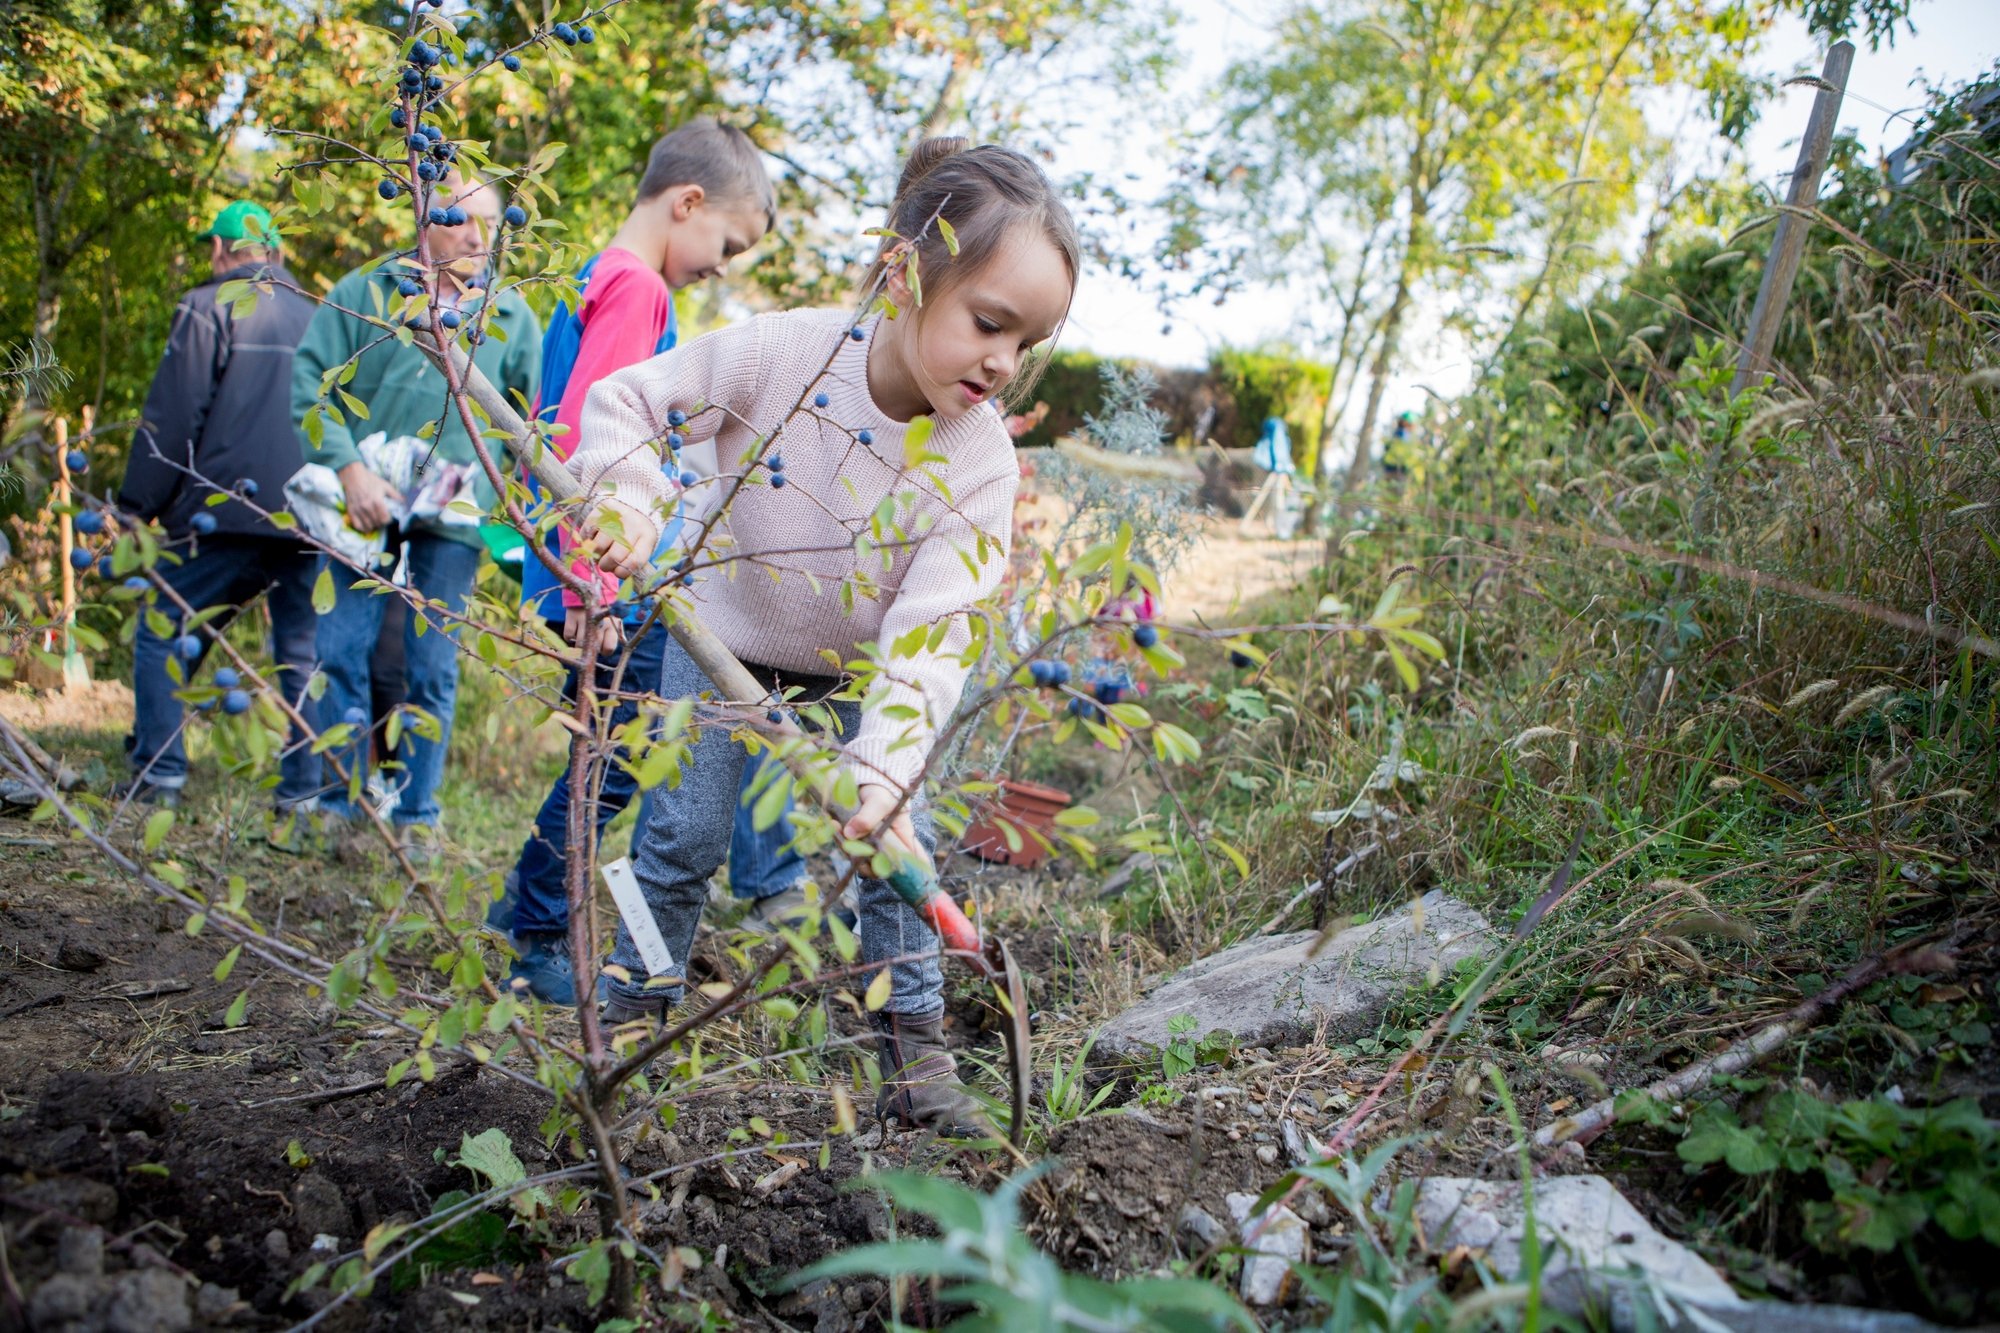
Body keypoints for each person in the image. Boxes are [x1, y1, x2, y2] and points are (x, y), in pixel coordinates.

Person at [568, 138, 1079, 1135]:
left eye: (1028, 343)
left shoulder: (978, 462)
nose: (1003, 364)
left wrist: (881, 770)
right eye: (987, 324)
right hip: (720, 631)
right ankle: (632, 1002)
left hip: (856, 671)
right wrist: (628, 500)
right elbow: (625, 401)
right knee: (677, 837)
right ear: (902, 275)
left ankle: (914, 1051)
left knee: (898, 844)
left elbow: (934, 631)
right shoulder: (780, 354)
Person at [487, 118, 815, 1006]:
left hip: (585, 564)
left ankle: (520, 910)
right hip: (609, 575)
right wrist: (600, 585)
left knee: (601, 761)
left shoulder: (594, 275)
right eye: (727, 244)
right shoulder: (639, 292)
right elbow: (599, 433)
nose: (721, 266)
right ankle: (535, 929)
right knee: (615, 766)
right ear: (688, 202)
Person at [289, 172, 542, 854]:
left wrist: (494, 512)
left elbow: (525, 427)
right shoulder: (366, 293)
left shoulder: (513, 317)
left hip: (453, 521)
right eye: (461, 219)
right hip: (361, 508)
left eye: (492, 224)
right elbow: (310, 387)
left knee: (433, 666)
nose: (478, 236)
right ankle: (339, 807)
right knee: (341, 652)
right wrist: (349, 471)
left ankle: (416, 815)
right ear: (423, 219)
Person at [115, 201, 321, 821]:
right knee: (302, 654)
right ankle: (306, 792)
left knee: (162, 631)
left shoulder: (207, 307)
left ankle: (160, 774)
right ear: (276, 251)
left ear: (220, 250)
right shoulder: (319, 315)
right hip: (305, 517)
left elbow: (175, 415)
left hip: (223, 509)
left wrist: (136, 505)